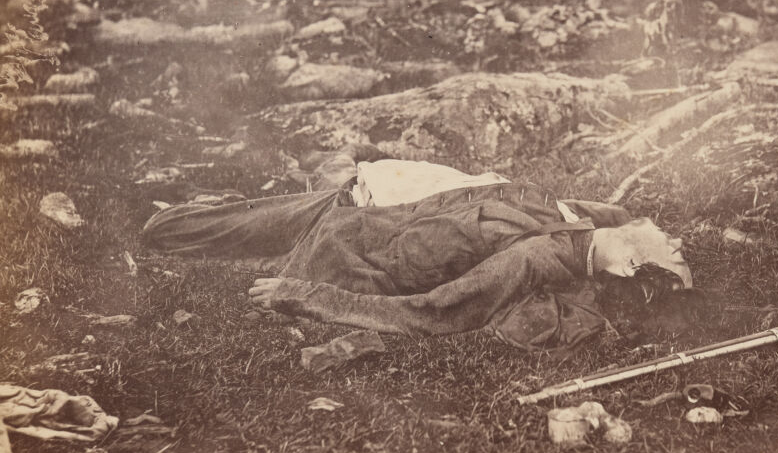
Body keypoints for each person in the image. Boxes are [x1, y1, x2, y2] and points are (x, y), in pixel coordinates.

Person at [142, 157, 692, 340]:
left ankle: (185, 221)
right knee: (187, 226)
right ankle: (199, 213)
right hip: (375, 199)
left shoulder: (537, 258)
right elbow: (623, 221)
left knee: (171, 234)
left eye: (675, 252)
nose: (678, 239)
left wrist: (307, 296)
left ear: (631, 265)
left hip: (344, 239)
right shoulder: (590, 226)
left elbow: (434, 312)